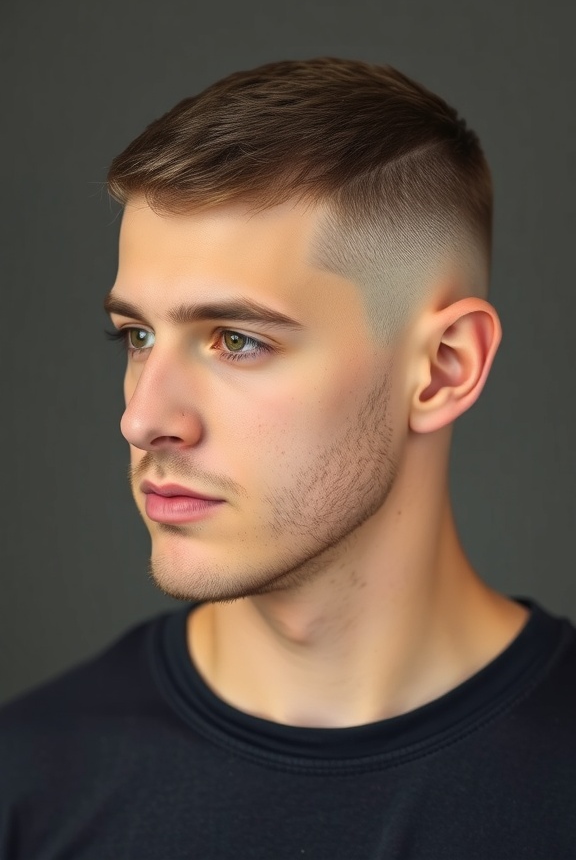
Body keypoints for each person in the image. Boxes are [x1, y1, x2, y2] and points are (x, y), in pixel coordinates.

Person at [1, 58, 574, 859]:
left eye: (236, 340)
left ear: (444, 368)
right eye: (138, 336)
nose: (142, 419)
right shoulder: (27, 785)